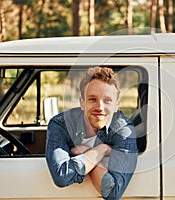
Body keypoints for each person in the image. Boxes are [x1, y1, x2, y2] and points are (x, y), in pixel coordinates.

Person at [46, 67, 138, 200]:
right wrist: (101, 150)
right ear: (82, 102)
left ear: (117, 105)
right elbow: (61, 176)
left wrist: (88, 153)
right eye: (92, 99)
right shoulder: (61, 124)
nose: (100, 107)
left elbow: (113, 192)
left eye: (107, 100)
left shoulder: (124, 130)